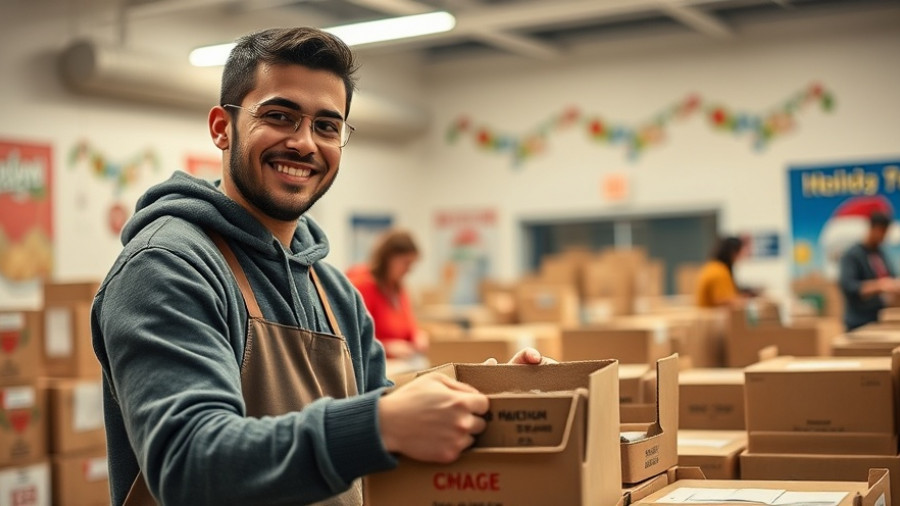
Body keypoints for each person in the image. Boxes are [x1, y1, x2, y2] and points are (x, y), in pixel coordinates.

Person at [91, 27, 548, 506]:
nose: (305, 143)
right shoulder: (167, 267)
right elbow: (189, 464)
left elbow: (389, 432)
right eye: (280, 116)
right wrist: (380, 425)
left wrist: (489, 404)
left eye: (327, 126)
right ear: (221, 128)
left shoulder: (334, 292)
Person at [346, 229, 426, 360]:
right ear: (388, 258)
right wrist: (385, 347)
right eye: (406, 263)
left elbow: (409, 326)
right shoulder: (363, 285)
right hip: (372, 365)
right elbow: (352, 337)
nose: (408, 270)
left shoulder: (398, 288)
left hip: (400, 363)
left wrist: (417, 335)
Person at [839, 211, 900, 330]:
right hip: (858, 323)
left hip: (879, 319)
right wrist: (881, 285)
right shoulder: (853, 255)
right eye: (882, 232)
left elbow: (891, 277)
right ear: (873, 228)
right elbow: (849, 287)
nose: (883, 237)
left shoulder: (881, 254)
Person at [695, 236, 748, 308]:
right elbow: (723, 300)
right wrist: (747, 301)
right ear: (733, 253)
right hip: (712, 317)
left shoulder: (713, 266)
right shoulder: (719, 271)